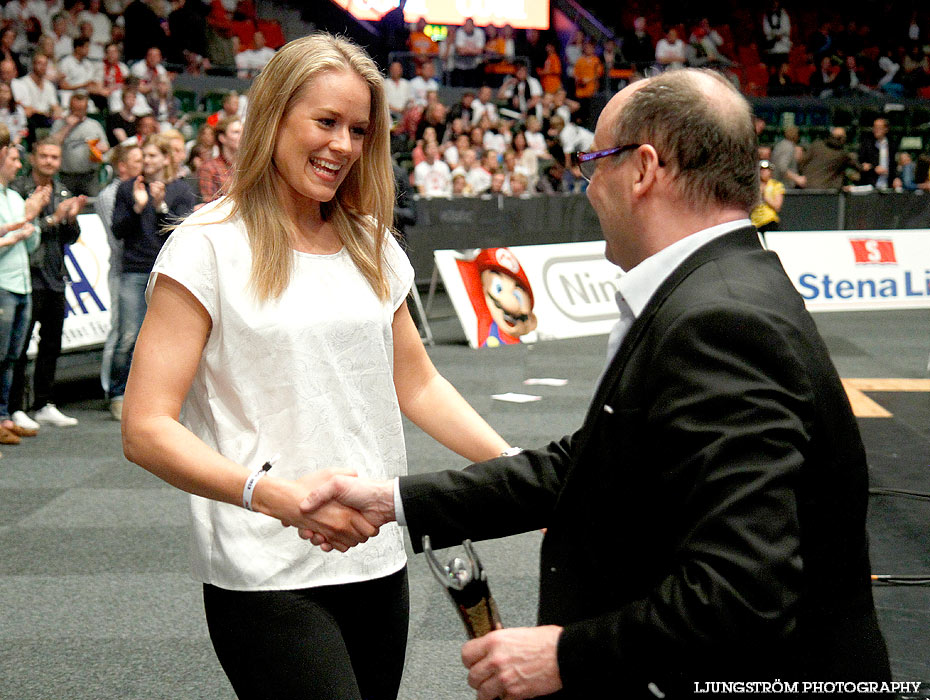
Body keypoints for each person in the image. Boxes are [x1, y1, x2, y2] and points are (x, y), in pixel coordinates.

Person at [297, 68, 893, 698]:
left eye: (593, 162)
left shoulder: (719, 319)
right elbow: (590, 465)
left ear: (642, 169)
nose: (587, 187)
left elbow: (741, 591)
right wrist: (393, 501)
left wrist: (565, 654)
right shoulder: (720, 288)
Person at [120, 34, 510, 700]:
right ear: (274, 116)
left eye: (358, 130)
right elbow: (145, 427)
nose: (343, 146)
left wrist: (523, 472)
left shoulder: (372, 243)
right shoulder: (205, 249)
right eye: (325, 122)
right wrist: (273, 498)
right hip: (264, 569)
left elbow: (418, 384)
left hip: (377, 554)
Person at [108, 133, 195, 420]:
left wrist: (159, 207)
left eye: (153, 156)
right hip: (134, 268)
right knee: (129, 335)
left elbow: (181, 231)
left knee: (167, 339)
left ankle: (159, 396)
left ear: (167, 159)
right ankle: (118, 394)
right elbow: (118, 230)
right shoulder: (126, 188)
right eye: (144, 156)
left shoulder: (181, 190)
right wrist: (137, 207)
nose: (147, 161)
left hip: (168, 271)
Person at [8, 138, 84, 429]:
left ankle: (44, 403)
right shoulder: (18, 190)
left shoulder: (62, 189)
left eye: (54, 157)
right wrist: (53, 218)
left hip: (55, 277)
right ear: (33, 158)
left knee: (52, 345)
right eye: (44, 156)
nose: (50, 161)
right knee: (19, 346)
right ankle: (14, 407)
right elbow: (23, 230)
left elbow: (71, 238)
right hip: (29, 276)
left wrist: (70, 220)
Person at [0, 125, 49, 446]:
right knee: (0, 353)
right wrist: (16, 233)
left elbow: (31, 248)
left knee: (13, 355)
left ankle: (4, 415)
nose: (19, 166)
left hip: (22, 285)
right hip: (3, 284)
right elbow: (11, 240)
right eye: (15, 160)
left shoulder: (16, 197)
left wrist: (30, 223)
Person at [95, 143, 143, 400]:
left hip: (138, 268)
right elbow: (117, 241)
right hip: (123, 269)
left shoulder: (142, 189)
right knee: (120, 329)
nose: (142, 164)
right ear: (122, 166)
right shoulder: (108, 195)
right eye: (136, 160)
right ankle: (109, 387)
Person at [49, 91, 109, 196]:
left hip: (89, 176)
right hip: (67, 176)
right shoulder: (60, 124)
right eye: (75, 109)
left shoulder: (94, 125)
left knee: (92, 204)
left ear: (86, 109)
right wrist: (68, 126)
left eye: (81, 110)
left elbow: (105, 146)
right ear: (70, 108)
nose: (77, 112)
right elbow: (52, 145)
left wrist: (100, 147)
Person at [197, 115, 240, 202]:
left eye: (243, 132)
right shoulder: (209, 168)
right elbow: (209, 204)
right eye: (236, 132)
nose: (242, 136)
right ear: (222, 138)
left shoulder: (248, 167)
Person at [858, 117, 900, 189]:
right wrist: (874, 168)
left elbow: (894, 165)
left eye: (879, 127)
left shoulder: (892, 145)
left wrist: (896, 178)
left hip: (888, 186)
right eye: (874, 127)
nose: (876, 130)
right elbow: (861, 164)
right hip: (871, 186)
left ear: (886, 129)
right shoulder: (867, 145)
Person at [750, 158, 784, 233]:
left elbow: (777, 206)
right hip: (754, 222)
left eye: (766, 170)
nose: (763, 172)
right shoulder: (753, 186)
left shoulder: (775, 185)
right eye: (761, 170)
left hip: (769, 221)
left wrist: (764, 196)